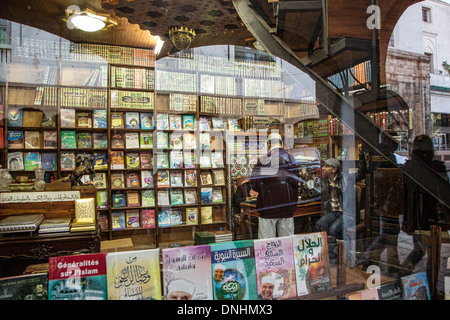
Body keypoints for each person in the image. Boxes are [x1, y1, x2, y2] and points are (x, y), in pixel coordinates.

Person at [250, 133, 299, 239]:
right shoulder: (291, 159)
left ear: (268, 144)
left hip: (267, 206)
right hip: (287, 207)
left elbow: (254, 183)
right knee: (287, 242)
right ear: (281, 143)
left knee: (267, 243)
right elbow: (296, 182)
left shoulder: (263, 160)